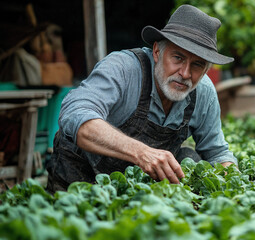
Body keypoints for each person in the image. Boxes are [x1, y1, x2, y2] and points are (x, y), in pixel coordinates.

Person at [46, 4, 237, 193]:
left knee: (189, 157)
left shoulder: (204, 93)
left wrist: (234, 180)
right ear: (157, 51)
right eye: (178, 58)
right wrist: (141, 152)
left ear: (205, 70)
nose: (185, 73)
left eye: (197, 65)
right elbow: (75, 115)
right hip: (80, 176)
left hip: (135, 190)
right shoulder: (122, 68)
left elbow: (217, 152)